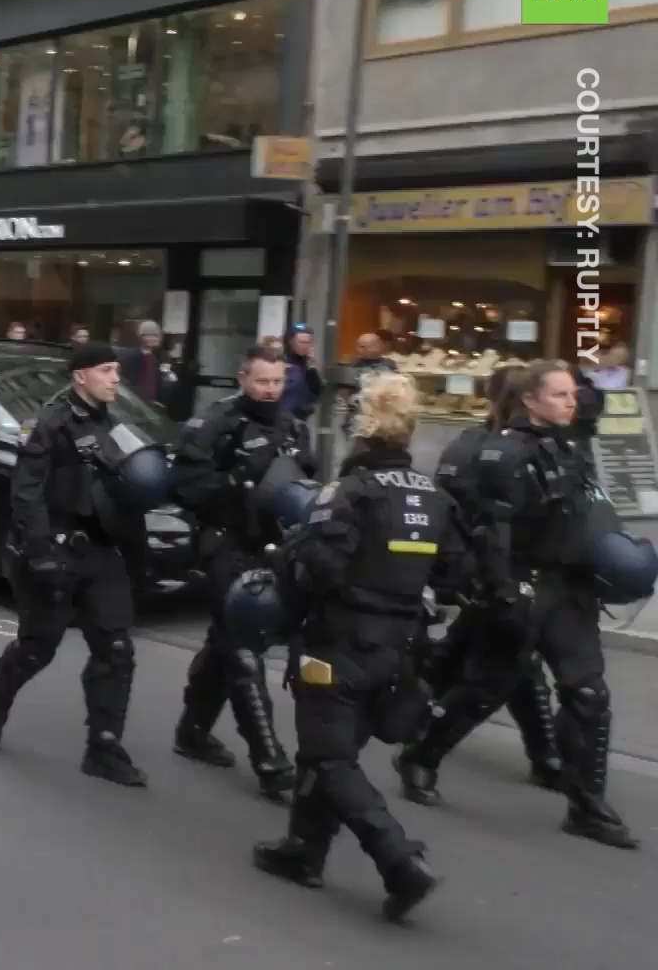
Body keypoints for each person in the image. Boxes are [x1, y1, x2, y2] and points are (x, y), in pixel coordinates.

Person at [394, 361, 641, 849]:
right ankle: (421, 755)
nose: (571, 402)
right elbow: (490, 532)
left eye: (573, 395)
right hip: (523, 582)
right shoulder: (503, 454)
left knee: (588, 693)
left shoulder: (570, 444)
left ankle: (586, 804)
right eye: (560, 395)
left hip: (571, 587)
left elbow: (591, 486)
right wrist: (501, 592)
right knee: (487, 687)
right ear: (530, 400)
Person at [252, 372, 465, 922]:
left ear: (362, 428)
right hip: (398, 651)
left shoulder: (347, 494)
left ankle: (399, 860)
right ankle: (303, 850)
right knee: (327, 751)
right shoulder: (436, 498)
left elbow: (320, 572)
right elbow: (456, 576)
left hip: (338, 643)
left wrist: (290, 558)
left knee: (329, 756)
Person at [0, 344, 166, 786]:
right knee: (39, 646)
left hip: (102, 553)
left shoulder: (117, 425)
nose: (116, 378)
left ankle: (103, 747)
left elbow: (129, 497)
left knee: (117, 650)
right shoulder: (50, 422)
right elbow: (27, 491)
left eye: (118, 370)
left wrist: (141, 561)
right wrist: (40, 552)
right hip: (58, 550)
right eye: (106, 370)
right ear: (81, 376)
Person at [171, 346, 314, 802]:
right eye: (262, 382)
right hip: (225, 543)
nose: (270, 391)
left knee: (227, 638)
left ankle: (192, 730)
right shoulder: (215, 423)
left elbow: (304, 482)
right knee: (242, 646)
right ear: (242, 377)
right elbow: (185, 486)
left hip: (273, 546)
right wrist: (231, 482)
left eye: (277, 382)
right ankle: (270, 759)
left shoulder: (292, 426)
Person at [422, 368, 561, 790]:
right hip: (485, 570)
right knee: (511, 662)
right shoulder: (482, 449)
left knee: (488, 657)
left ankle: (415, 714)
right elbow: (460, 513)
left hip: (506, 571)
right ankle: (545, 754)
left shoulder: (536, 449)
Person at [281, 327, 323, 421]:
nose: (305, 346)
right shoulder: (282, 361)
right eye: (302, 342)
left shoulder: (307, 363)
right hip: (284, 414)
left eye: (308, 343)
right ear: (291, 342)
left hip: (301, 416)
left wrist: (312, 367)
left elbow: (316, 391)